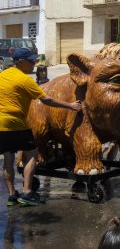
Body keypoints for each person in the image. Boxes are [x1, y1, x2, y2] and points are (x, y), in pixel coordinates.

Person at [0, 48, 82, 206]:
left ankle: (11, 196)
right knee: (32, 154)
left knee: (8, 158)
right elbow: (47, 100)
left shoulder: (2, 76)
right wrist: (70, 105)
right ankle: (27, 192)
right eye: (32, 61)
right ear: (20, 62)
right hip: (16, 123)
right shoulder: (24, 80)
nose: (35, 64)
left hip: (0, 125)